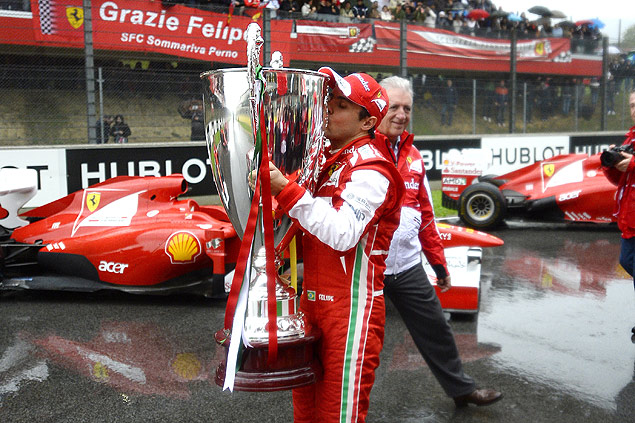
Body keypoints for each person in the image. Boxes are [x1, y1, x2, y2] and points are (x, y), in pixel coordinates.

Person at [266, 69, 404, 422]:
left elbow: (342, 233)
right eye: (328, 101)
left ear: (367, 122)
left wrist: (286, 187)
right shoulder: (325, 161)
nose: (327, 109)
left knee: (336, 416)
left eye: (341, 105)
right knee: (305, 414)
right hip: (311, 307)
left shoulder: (372, 168)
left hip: (351, 314)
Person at [374, 75, 503, 407]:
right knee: (358, 342)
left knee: (437, 329)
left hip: (406, 266)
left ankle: (461, 389)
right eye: (394, 106)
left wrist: (438, 264)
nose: (401, 114)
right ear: (376, 106)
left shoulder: (414, 154)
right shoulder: (359, 148)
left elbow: (426, 217)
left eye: (407, 108)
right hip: (364, 269)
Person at [602, 90, 635, 336]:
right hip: (629, 217)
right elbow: (619, 180)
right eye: (632, 105)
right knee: (627, 261)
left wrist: (632, 163)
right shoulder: (630, 140)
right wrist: (611, 166)